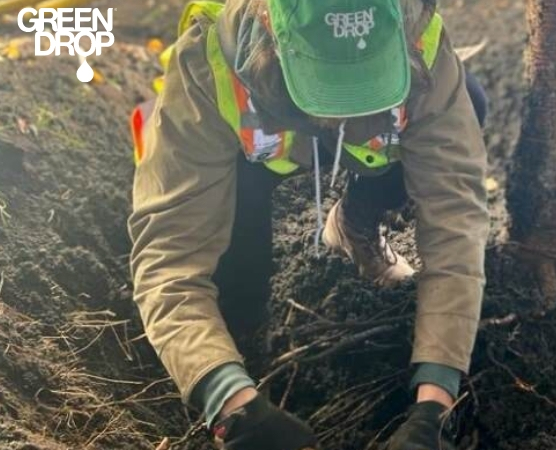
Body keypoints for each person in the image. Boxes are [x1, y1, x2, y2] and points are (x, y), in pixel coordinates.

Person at [128, 0, 489, 448]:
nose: (343, 110)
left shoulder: (421, 40)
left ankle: (356, 219)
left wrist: (437, 406)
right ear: (267, 20)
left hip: (369, 149)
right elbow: (170, 259)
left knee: (470, 102)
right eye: (331, 86)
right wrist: (231, 405)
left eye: (362, 81)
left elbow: (457, 219)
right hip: (247, 159)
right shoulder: (209, 62)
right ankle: (245, 358)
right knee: (237, 289)